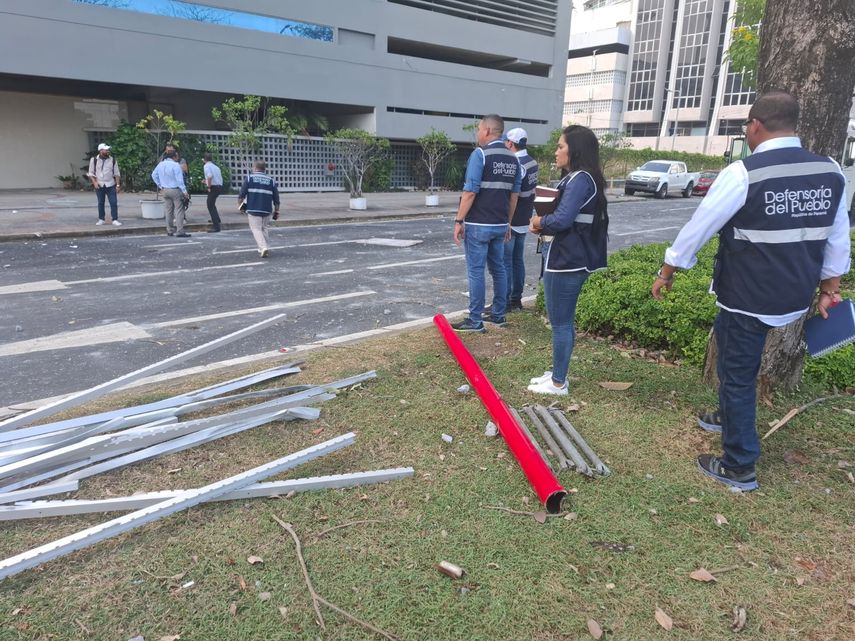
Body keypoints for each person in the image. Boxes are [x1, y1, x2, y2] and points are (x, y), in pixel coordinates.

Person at [651, 90, 851, 492]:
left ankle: (739, 465)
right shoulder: (831, 170)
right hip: (795, 296)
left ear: (755, 125)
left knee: (738, 374)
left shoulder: (746, 172)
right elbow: (837, 235)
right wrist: (831, 286)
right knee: (736, 366)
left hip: (746, 296)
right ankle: (728, 415)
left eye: (746, 126)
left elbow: (700, 226)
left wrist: (669, 269)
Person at [527, 125, 609, 396]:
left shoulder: (581, 179)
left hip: (568, 261)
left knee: (561, 322)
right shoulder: (577, 178)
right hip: (564, 257)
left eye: (561, 147)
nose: (556, 151)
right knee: (561, 320)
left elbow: (562, 220)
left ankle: (559, 382)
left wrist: (540, 221)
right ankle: (556, 372)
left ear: (575, 150)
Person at [452, 114, 522, 333]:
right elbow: (514, 196)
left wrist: (458, 220)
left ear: (487, 131)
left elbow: (470, 191)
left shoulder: (480, 154)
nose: (477, 134)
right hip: (500, 224)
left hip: (478, 224)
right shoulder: (513, 159)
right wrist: (508, 223)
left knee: (476, 271)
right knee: (499, 270)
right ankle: (499, 315)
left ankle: (475, 320)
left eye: (479, 130)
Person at [503, 128, 539, 311]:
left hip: (513, 220)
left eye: (505, 142)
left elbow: (512, 195)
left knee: (507, 262)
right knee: (518, 260)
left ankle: (507, 301)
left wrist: (506, 221)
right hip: (524, 219)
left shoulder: (517, 164)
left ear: (510, 143)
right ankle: (516, 300)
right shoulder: (532, 162)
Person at [239, 160, 280, 257]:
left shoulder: (249, 178)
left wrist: (241, 206)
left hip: (253, 208)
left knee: (256, 229)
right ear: (264, 168)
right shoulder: (271, 180)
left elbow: (241, 195)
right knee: (264, 228)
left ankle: (263, 247)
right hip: (267, 209)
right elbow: (276, 197)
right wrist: (277, 210)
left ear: (255, 167)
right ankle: (264, 247)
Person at [151, 149, 191, 237]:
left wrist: (160, 185)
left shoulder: (160, 164)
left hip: (165, 189)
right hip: (175, 189)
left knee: (168, 210)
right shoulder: (175, 165)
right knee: (179, 210)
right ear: (174, 157)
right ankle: (180, 231)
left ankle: (169, 230)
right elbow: (179, 180)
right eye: (177, 156)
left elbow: (153, 175)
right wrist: (185, 191)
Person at [88, 143, 122, 226]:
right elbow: (91, 173)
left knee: (113, 202)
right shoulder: (94, 160)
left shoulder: (112, 160)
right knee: (100, 202)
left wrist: (118, 185)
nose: (107, 151)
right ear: (101, 151)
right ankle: (101, 219)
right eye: (106, 150)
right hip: (99, 184)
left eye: (108, 150)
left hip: (110, 184)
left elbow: (117, 173)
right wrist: (95, 182)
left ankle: (114, 219)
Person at [203, 152, 223, 232]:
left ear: (204, 160)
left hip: (213, 187)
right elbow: (215, 178)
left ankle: (216, 227)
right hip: (219, 186)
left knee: (210, 205)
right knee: (212, 203)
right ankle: (216, 219)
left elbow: (210, 176)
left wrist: (208, 186)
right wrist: (206, 181)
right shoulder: (216, 167)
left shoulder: (206, 166)